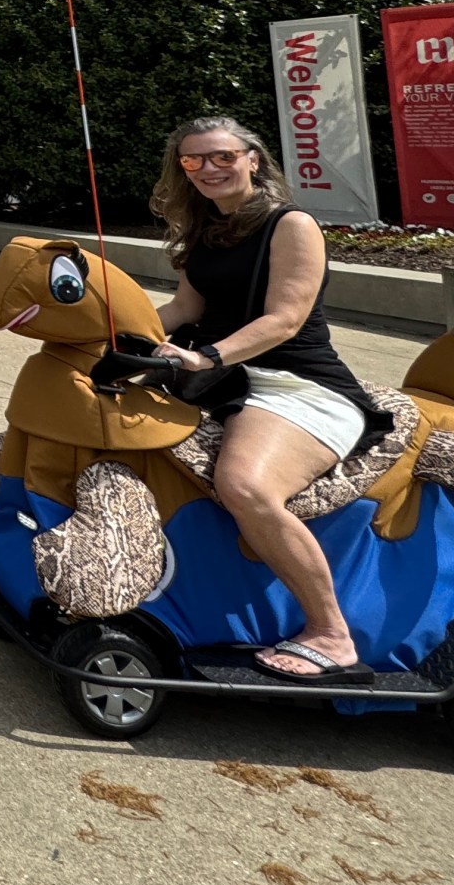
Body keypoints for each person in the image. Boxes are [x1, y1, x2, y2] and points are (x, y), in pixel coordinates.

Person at [145, 115, 390, 684]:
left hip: (296, 385)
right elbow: (184, 310)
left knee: (245, 485)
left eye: (222, 156)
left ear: (253, 158)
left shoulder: (291, 224)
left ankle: (331, 632)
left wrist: (208, 357)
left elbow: (285, 319)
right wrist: (106, 334)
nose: (208, 169)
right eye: (193, 160)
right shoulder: (205, 228)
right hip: (225, 382)